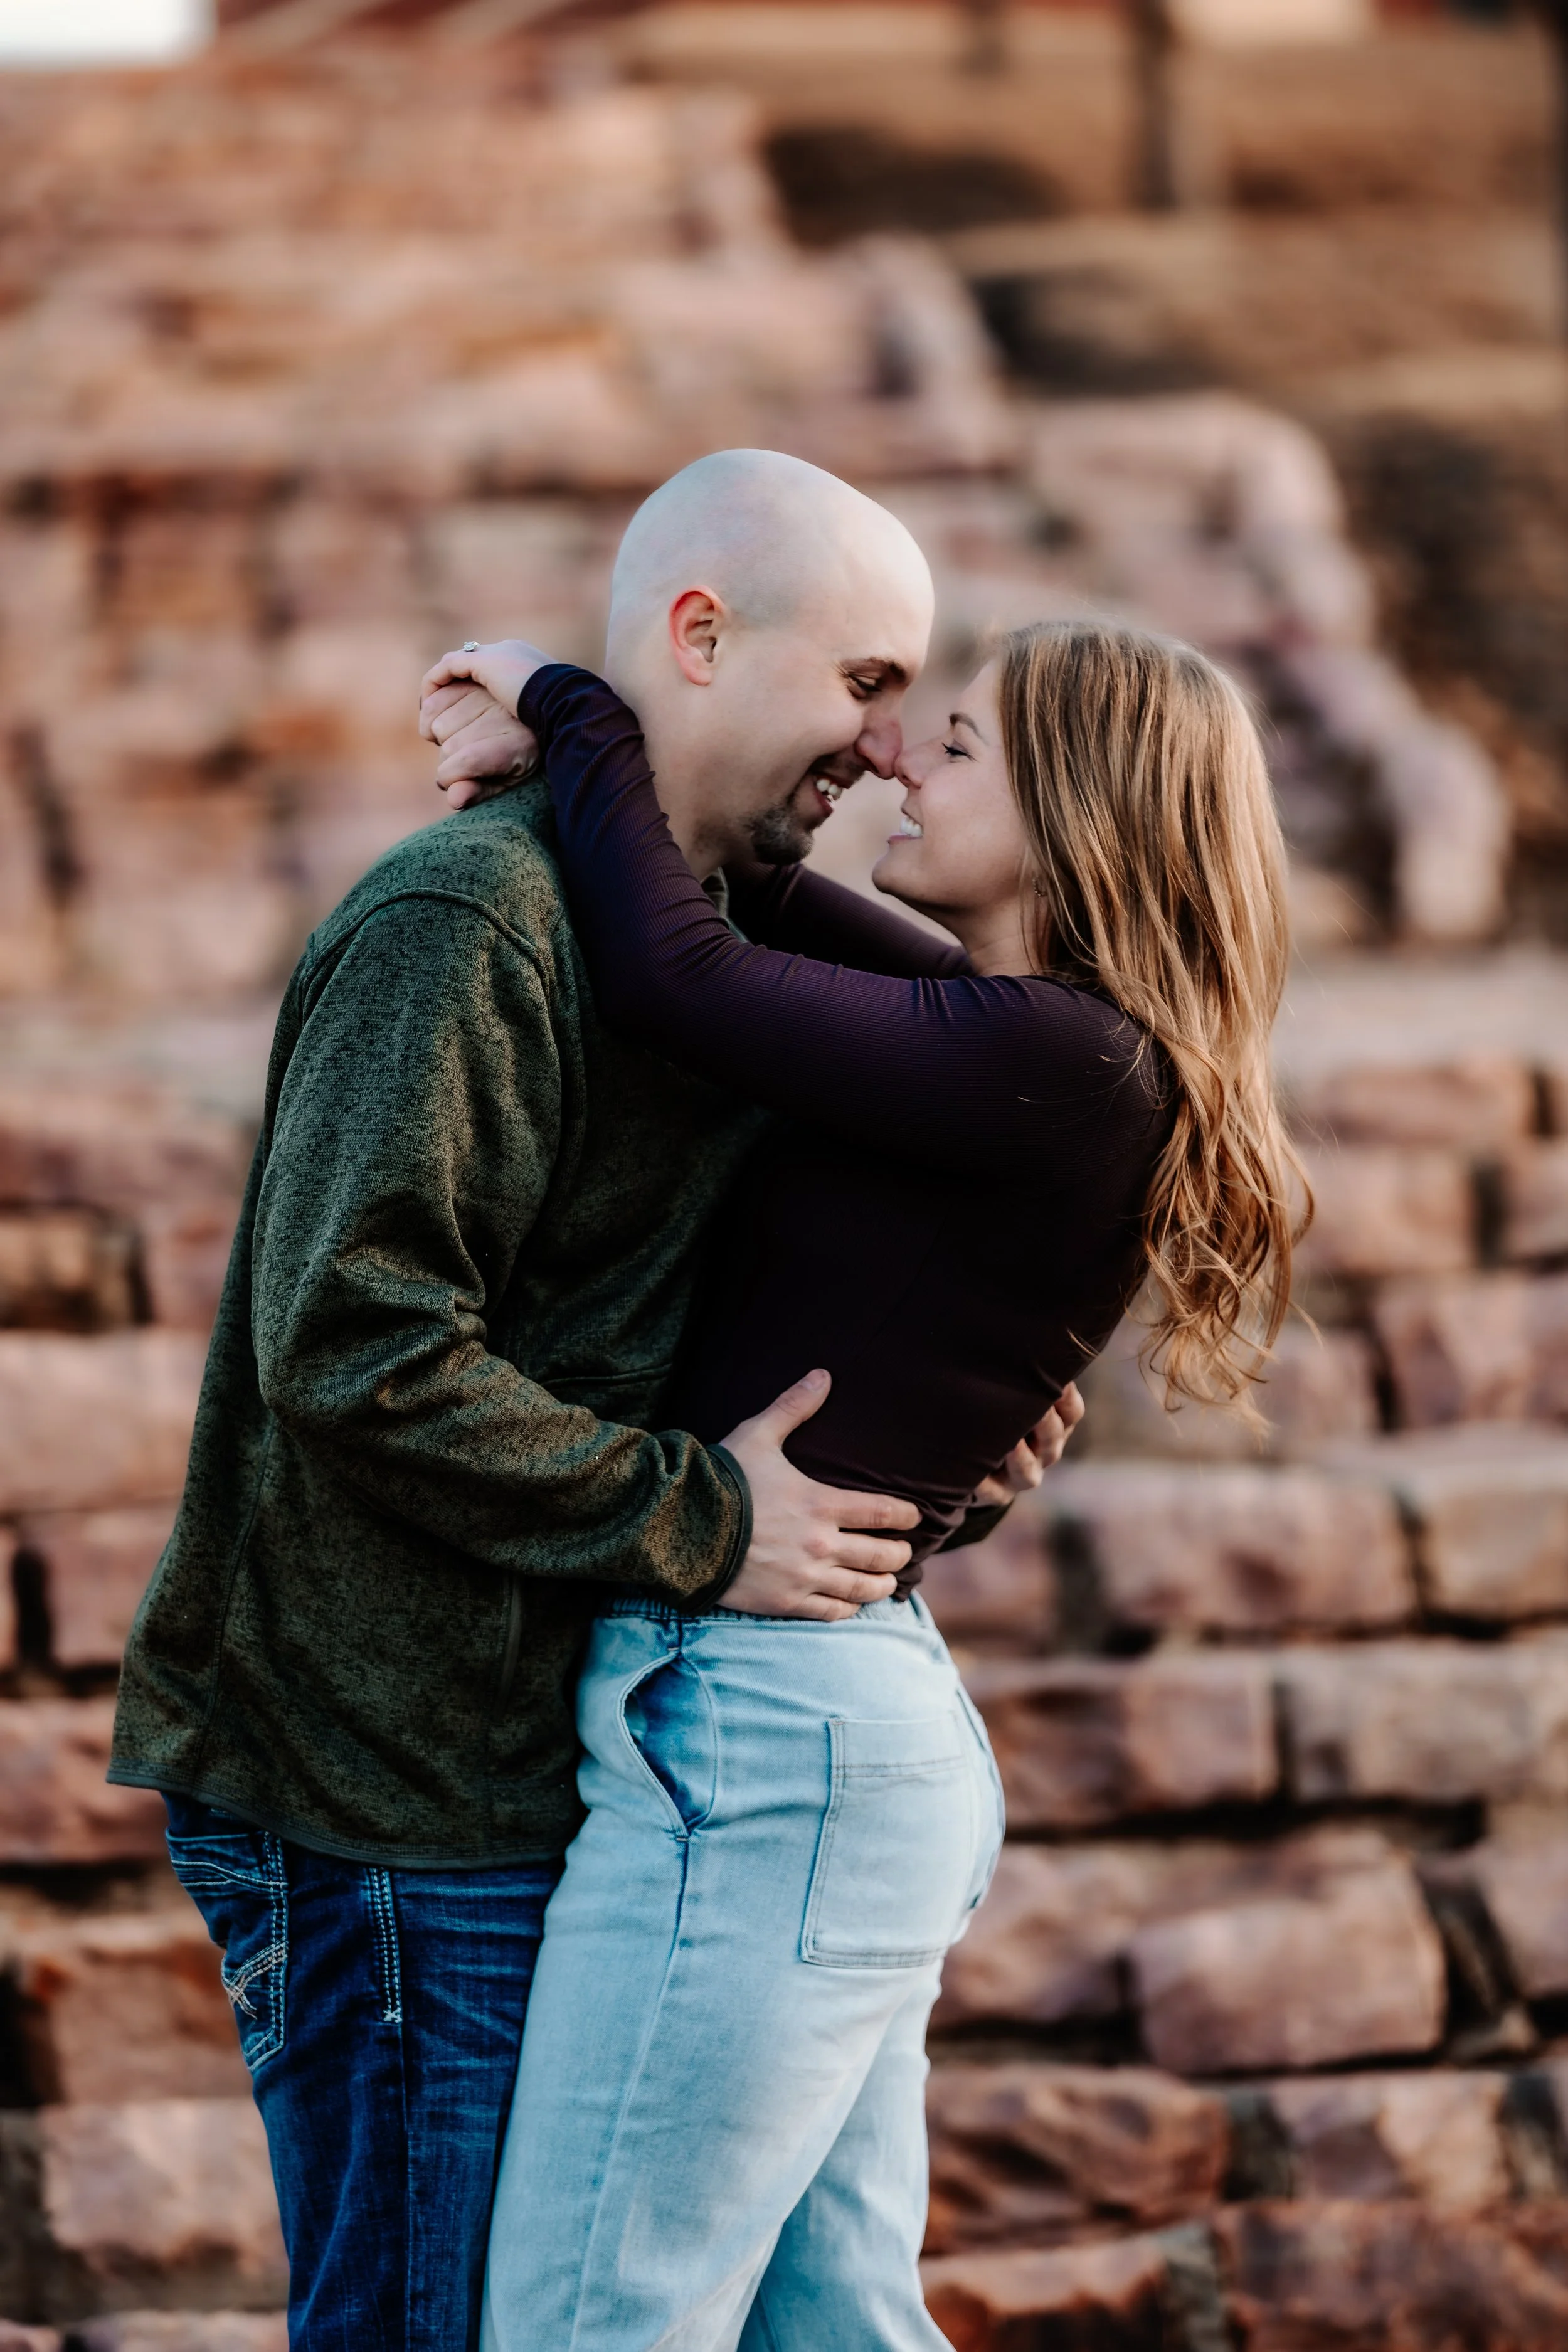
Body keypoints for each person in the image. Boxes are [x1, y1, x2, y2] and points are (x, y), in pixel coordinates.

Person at [111, 450, 1089, 2352]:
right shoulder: (471, 925)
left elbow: (773, 1309)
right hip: (392, 1789)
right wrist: (711, 1520)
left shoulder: (729, 941)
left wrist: (948, 1435)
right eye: (870, 684)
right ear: (702, 638)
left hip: (568, 1755)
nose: (889, 750)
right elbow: (358, 1347)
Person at [421, 602, 1302, 2351]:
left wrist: (564, 698)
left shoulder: (1057, 1058)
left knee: (589, 2328)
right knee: (830, 2331)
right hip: (817, 1734)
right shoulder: (1043, 1040)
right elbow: (720, 912)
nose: (901, 752)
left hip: (768, 1746)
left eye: (955, 742)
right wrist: (635, 777)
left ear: (1077, 809)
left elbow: (677, 975)